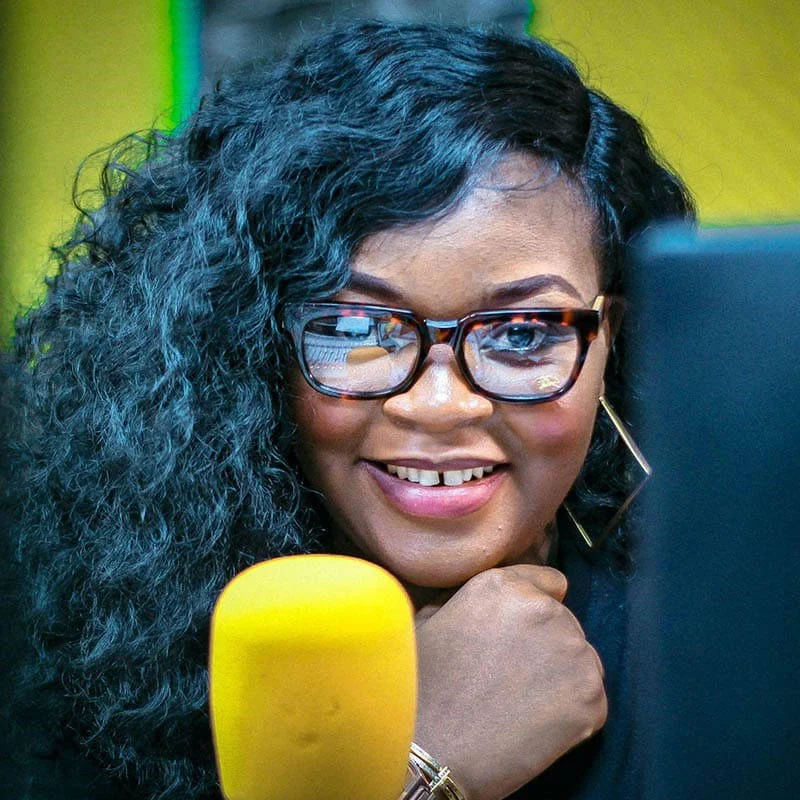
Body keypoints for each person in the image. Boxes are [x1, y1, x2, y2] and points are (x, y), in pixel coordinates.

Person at [0, 20, 694, 800]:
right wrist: (429, 766)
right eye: (358, 330)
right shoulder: (77, 658)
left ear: (611, 340)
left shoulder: (724, 656)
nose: (441, 405)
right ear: (251, 340)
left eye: (522, 333)